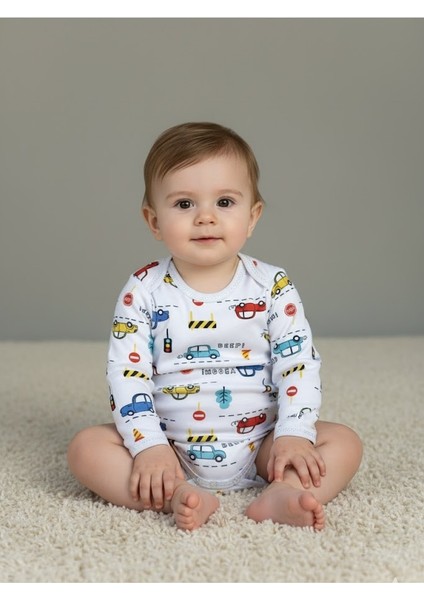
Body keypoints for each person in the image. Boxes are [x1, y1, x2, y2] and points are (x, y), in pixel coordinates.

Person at [67, 122, 362, 531]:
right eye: (184, 204)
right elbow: (127, 373)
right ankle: (176, 494)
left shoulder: (272, 285)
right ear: (154, 221)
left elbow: (297, 365)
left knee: (344, 442)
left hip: (263, 442)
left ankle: (284, 490)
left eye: (224, 202)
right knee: (86, 449)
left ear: (252, 217)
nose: (205, 217)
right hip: (170, 446)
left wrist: (293, 433)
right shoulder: (144, 289)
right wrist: (148, 445)